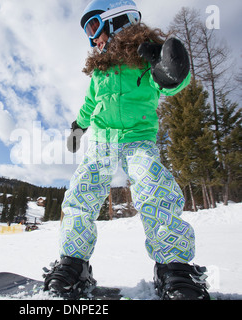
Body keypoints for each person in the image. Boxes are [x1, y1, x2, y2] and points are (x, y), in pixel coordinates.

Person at [43, 0, 210, 300]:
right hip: (102, 140)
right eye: (88, 32)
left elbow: (171, 84)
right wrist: (78, 128)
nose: (93, 38)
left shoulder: (146, 56)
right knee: (82, 191)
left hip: (138, 137)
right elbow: (90, 104)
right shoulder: (100, 70)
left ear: (116, 18)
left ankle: (174, 267)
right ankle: (73, 264)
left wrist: (170, 69)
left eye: (93, 26)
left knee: (153, 186)